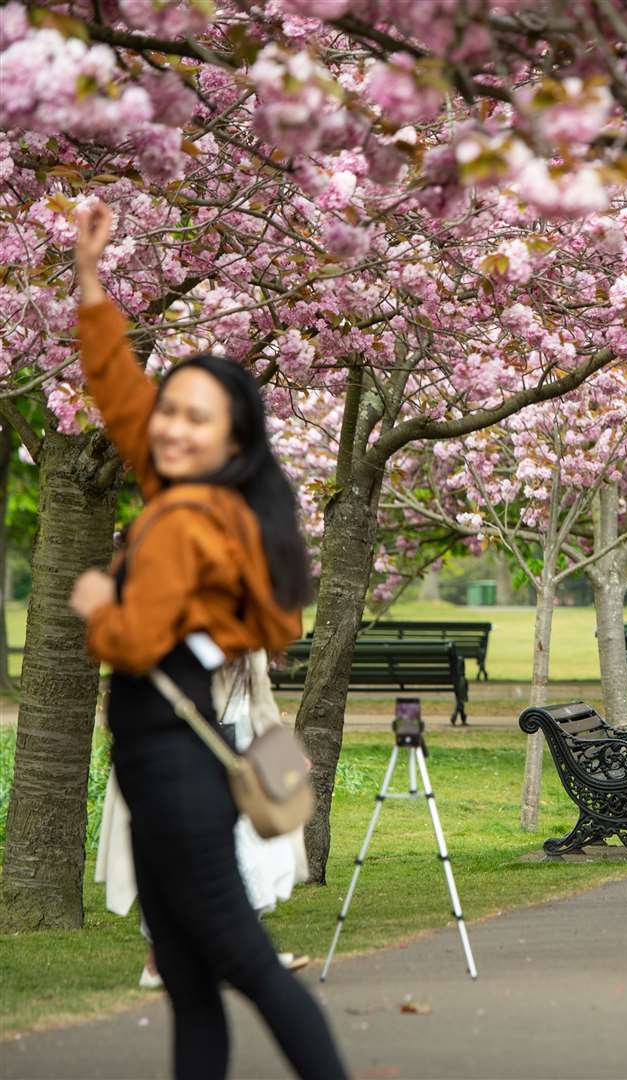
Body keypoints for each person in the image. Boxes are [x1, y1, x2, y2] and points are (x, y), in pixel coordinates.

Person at [69, 203, 347, 1080]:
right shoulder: (214, 500)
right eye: (172, 411)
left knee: (248, 968)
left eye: (197, 417)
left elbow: (134, 638)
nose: (171, 426)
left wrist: (95, 602)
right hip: (172, 766)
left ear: (232, 438)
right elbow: (124, 399)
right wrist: (90, 283)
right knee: (191, 986)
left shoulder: (183, 519)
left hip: (176, 777)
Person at [96, 651, 310, 989]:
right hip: (178, 756)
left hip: (238, 758)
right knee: (172, 858)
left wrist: (283, 752)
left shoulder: (246, 638)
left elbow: (260, 700)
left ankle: (247, 953)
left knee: (253, 852)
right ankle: (159, 962)